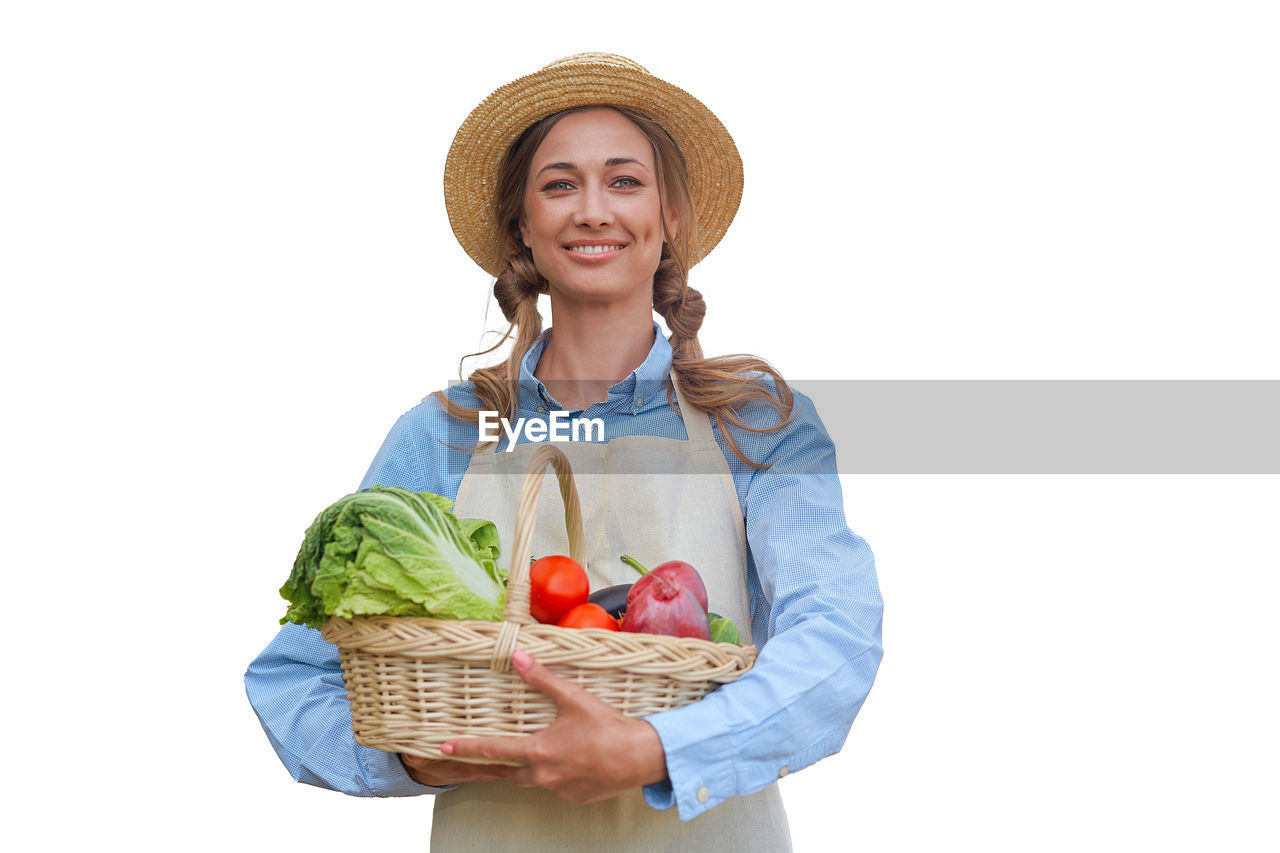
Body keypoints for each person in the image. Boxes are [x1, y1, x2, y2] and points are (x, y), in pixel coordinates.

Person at [245, 52, 883, 851]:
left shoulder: (752, 422)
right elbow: (291, 679)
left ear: (671, 216)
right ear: (523, 225)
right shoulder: (447, 432)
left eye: (624, 181)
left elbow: (837, 639)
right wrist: (423, 753)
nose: (592, 210)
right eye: (558, 185)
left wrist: (654, 749)